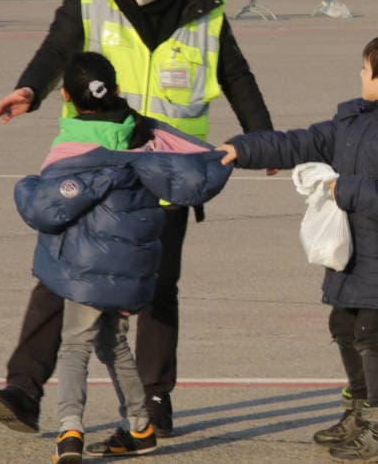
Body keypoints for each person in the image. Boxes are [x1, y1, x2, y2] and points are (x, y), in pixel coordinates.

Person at [0, 0, 273, 437]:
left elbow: (235, 73)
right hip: (92, 163)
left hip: (165, 169)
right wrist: (30, 89)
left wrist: (262, 137)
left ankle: (155, 401)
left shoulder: (203, 6)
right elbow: (57, 49)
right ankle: (22, 390)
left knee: (157, 285)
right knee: (62, 275)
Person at [217, 34, 378, 462]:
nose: (360, 75)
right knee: (343, 324)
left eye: (365, 69)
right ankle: (359, 411)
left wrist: (343, 187)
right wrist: (242, 149)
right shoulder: (355, 120)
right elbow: (300, 142)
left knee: (368, 332)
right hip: (355, 250)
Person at [13, 52, 232, 461]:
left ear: (66, 97)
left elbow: (44, 208)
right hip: (132, 266)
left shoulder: (69, 145)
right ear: (116, 89)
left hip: (86, 266)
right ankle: (140, 425)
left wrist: (26, 186)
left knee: (75, 345)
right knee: (113, 344)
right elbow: (201, 164)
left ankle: (70, 429)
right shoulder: (146, 133)